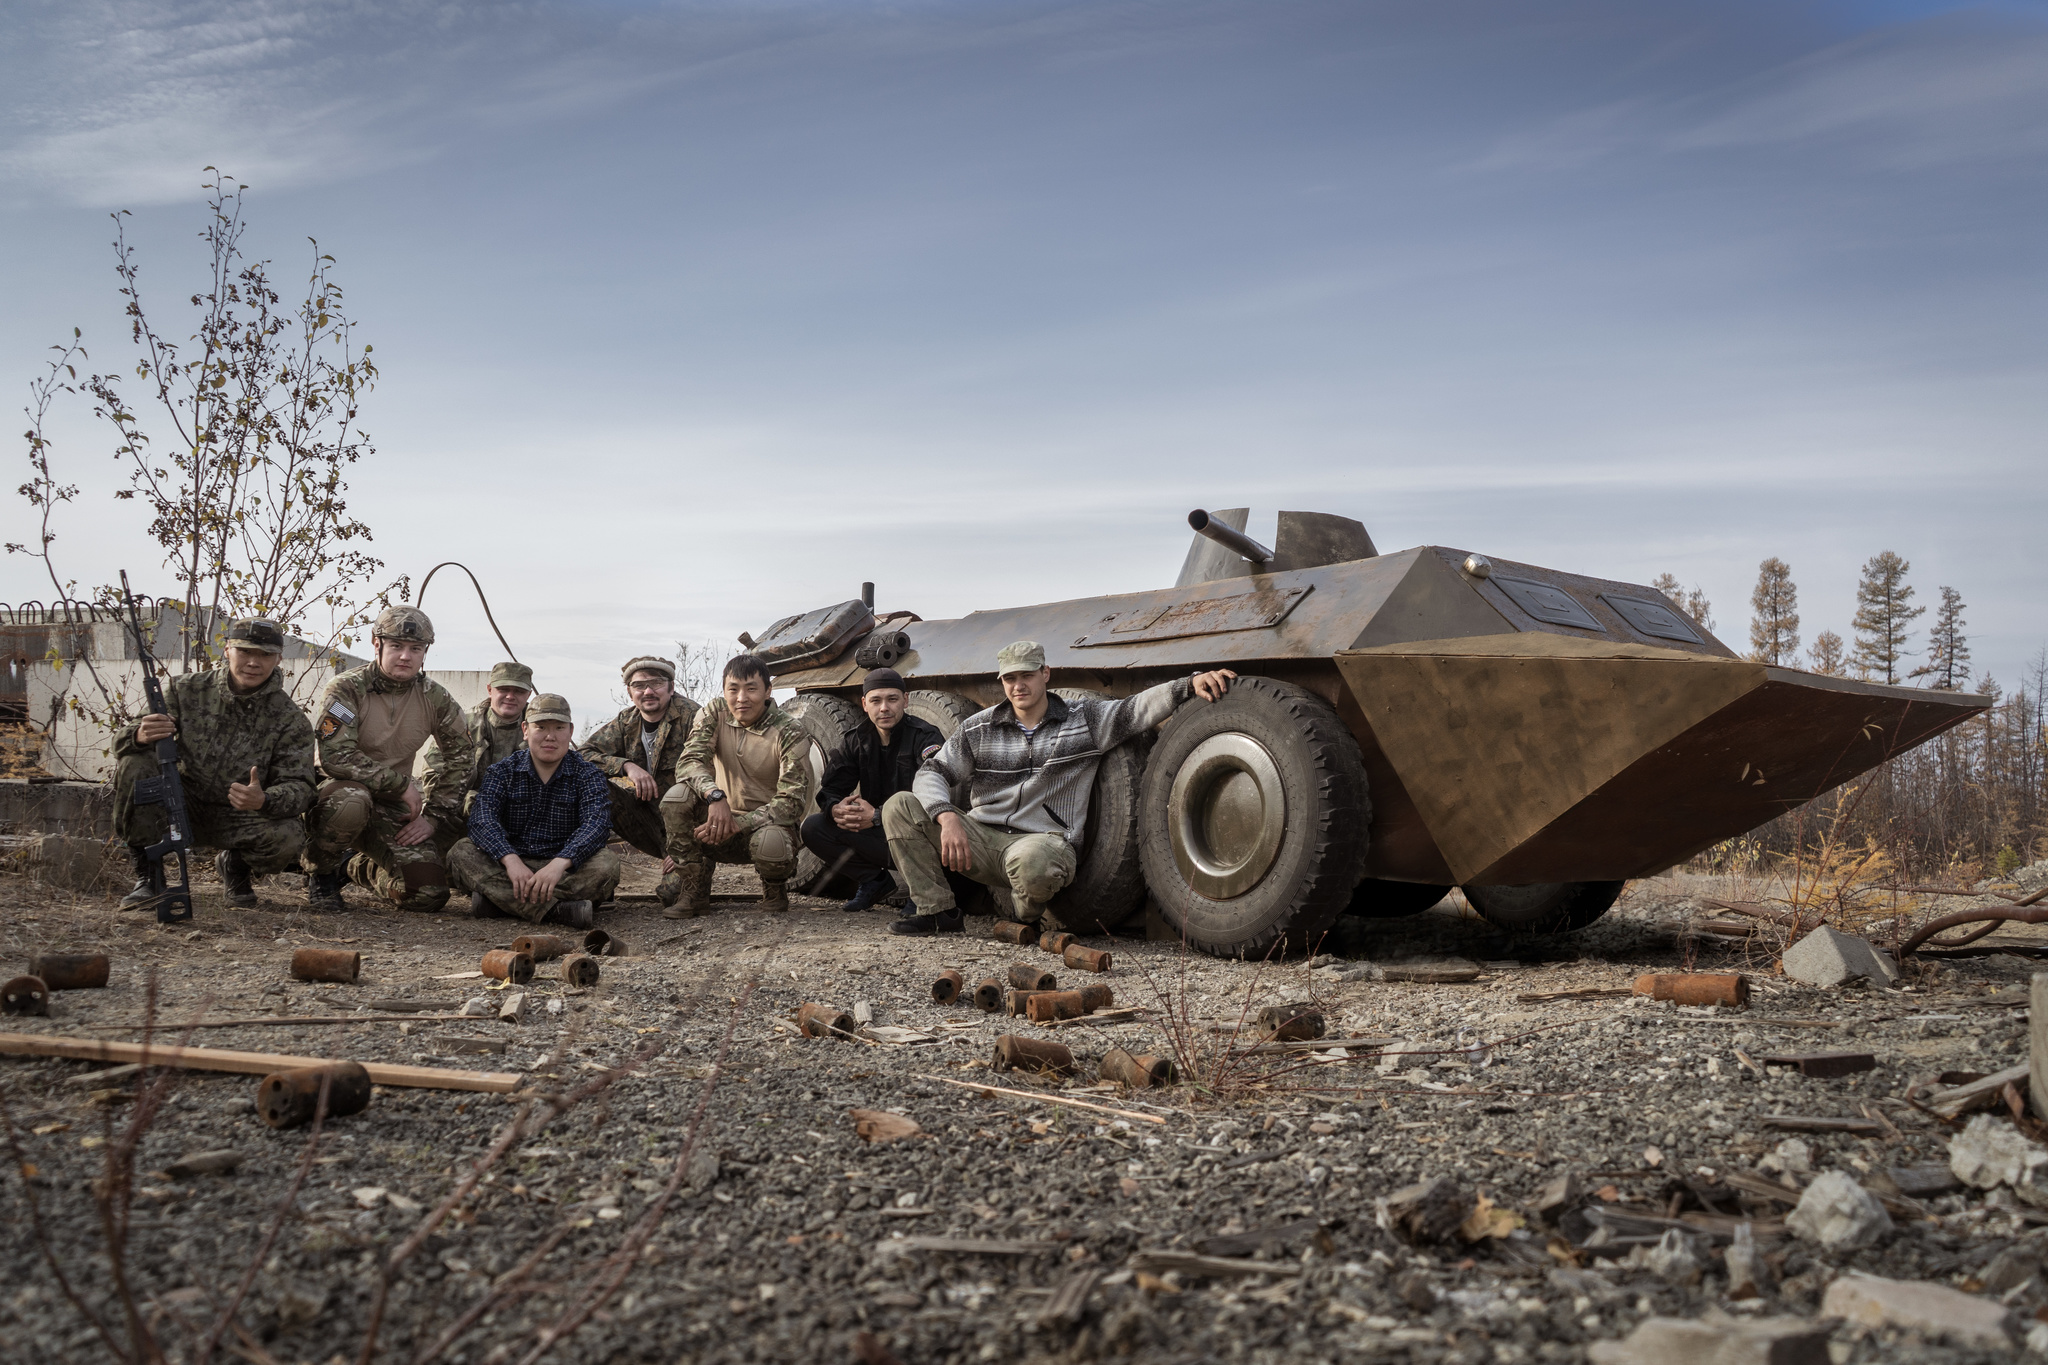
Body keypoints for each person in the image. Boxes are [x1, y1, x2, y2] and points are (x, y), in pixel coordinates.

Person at [881, 640, 1235, 935]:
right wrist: (947, 817)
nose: (1018, 686)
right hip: (983, 840)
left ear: (1045, 674)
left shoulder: (1083, 720)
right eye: (1010, 678)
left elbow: (1136, 708)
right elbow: (933, 771)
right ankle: (937, 912)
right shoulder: (979, 728)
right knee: (900, 806)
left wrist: (1189, 684)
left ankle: (1025, 919)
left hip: (1043, 843)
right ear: (1001, 681)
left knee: (1033, 863)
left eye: (1027, 676)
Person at [111, 618, 317, 910]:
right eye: (245, 651)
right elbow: (120, 744)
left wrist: (264, 799)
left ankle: (236, 866)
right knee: (136, 763)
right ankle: (149, 875)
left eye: (265, 655)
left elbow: (302, 787)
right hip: (179, 802)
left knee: (288, 836)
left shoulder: (290, 719)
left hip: (237, 815)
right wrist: (140, 735)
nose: (254, 663)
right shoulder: (183, 690)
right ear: (228, 650)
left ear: (279, 659)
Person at [301, 606, 474, 913]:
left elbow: (461, 757)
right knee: (352, 800)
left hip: (390, 805)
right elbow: (335, 754)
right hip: (338, 792)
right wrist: (400, 785)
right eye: (396, 646)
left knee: (428, 893)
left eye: (415, 649)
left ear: (425, 653)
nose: (405, 656)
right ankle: (322, 872)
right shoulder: (347, 689)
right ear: (377, 643)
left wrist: (433, 817)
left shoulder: (436, 699)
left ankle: (352, 866)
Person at [447, 694, 620, 926]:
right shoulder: (503, 771)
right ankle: (558, 911)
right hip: (512, 864)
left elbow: (596, 825)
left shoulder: (588, 774)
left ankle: (499, 903)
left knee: (607, 865)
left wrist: (560, 864)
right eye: (541, 727)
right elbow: (482, 819)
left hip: (564, 868)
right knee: (461, 853)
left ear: (570, 732)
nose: (550, 736)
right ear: (525, 730)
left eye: (559, 727)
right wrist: (510, 860)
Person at [660, 653, 810, 918]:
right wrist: (714, 796)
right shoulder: (714, 713)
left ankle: (774, 888)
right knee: (676, 797)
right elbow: (689, 762)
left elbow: (792, 802)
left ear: (768, 691)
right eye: (734, 689)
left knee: (771, 844)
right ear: (724, 691)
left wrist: (738, 824)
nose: (741, 698)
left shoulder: (789, 730)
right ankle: (693, 888)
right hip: (715, 822)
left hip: (764, 826)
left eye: (751, 689)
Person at [798, 667, 949, 913]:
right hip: (878, 835)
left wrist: (877, 816)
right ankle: (874, 882)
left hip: (920, 836)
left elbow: (936, 794)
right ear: (864, 704)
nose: (884, 708)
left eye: (892, 699)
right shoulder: (856, 740)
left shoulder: (925, 737)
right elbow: (831, 789)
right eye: (876, 701)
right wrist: (836, 809)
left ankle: (920, 888)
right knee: (814, 827)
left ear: (905, 700)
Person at [577, 656, 702, 907]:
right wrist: (626, 766)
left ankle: (690, 861)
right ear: (629, 691)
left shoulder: (693, 717)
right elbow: (581, 756)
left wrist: (685, 844)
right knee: (592, 785)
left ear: (671, 686)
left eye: (656, 683)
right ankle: (590, 871)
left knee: (674, 897)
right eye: (639, 686)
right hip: (647, 819)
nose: (647, 691)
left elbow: (713, 777)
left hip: (690, 825)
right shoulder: (627, 722)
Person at [424, 661, 535, 829]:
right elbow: (433, 777)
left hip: (519, 823)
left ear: (528, 694)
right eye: (503, 689)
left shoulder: (541, 731)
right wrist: (473, 804)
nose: (510, 696)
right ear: (490, 690)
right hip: (460, 818)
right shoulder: (460, 726)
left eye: (519, 691)